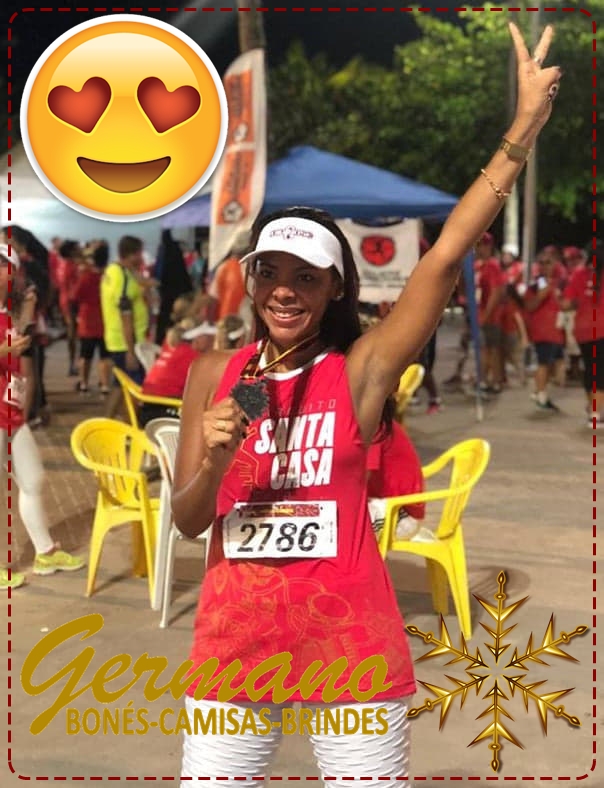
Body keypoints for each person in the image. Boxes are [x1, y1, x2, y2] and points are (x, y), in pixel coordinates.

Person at [172, 23, 560, 781]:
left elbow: (444, 256)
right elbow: (188, 523)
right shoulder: (211, 372)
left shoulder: (360, 371)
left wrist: (521, 130)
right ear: (251, 279)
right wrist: (216, 462)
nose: (285, 290)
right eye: (270, 271)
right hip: (236, 642)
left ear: (335, 288)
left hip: (348, 641)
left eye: (306, 276)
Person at [0, 244, 85, 590]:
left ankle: (45, 552)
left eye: (4, 265)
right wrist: (7, 350)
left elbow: (19, 354)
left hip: (10, 412)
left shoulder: (7, 313)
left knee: (33, 480)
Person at [100, 235, 149, 417]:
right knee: (132, 387)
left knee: (120, 384)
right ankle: (127, 424)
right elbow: (125, 314)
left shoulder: (115, 271)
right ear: (132, 254)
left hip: (118, 339)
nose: (142, 257)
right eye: (140, 253)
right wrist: (130, 351)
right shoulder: (122, 277)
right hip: (126, 342)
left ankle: (111, 423)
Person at [139, 320, 217, 425]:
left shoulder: (172, 349)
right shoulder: (193, 357)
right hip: (162, 412)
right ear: (197, 339)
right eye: (208, 337)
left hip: (146, 408)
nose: (212, 340)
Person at [561, 240, 604, 428]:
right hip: (602, 329)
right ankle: (595, 414)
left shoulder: (579, 274)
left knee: (590, 369)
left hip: (583, 330)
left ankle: (593, 410)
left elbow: (566, 303)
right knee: (600, 372)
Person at [524, 246, 565, 411]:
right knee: (544, 363)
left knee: (555, 365)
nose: (544, 266)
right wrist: (542, 294)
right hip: (543, 331)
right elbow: (529, 305)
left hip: (557, 330)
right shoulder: (537, 284)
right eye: (541, 262)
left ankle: (540, 391)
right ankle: (540, 394)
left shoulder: (560, 282)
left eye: (548, 262)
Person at [70, 245, 112, 395]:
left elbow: (74, 296)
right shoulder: (108, 278)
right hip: (105, 319)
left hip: (87, 320)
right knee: (105, 356)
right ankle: (105, 385)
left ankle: (84, 383)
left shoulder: (85, 277)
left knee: (85, 355)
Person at [154, 229, 193, 345]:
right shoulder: (174, 250)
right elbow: (181, 273)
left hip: (166, 294)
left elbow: (159, 274)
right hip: (178, 294)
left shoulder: (163, 250)